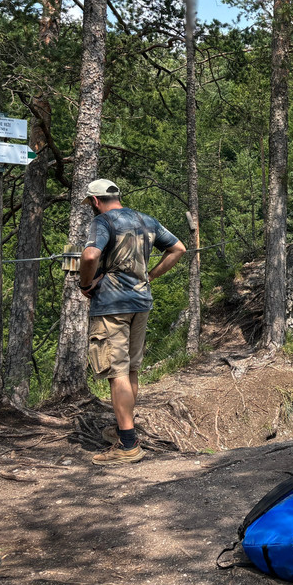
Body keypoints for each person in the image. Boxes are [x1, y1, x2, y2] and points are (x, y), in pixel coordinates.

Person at [77, 178, 186, 466]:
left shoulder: (103, 222)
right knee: (131, 369)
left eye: (90, 203)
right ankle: (125, 429)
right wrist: (150, 276)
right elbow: (178, 249)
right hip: (141, 302)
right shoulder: (145, 219)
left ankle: (128, 445)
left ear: (96, 201)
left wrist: (85, 284)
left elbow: (90, 255)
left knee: (117, 372)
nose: (91, 207)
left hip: (112, 304)